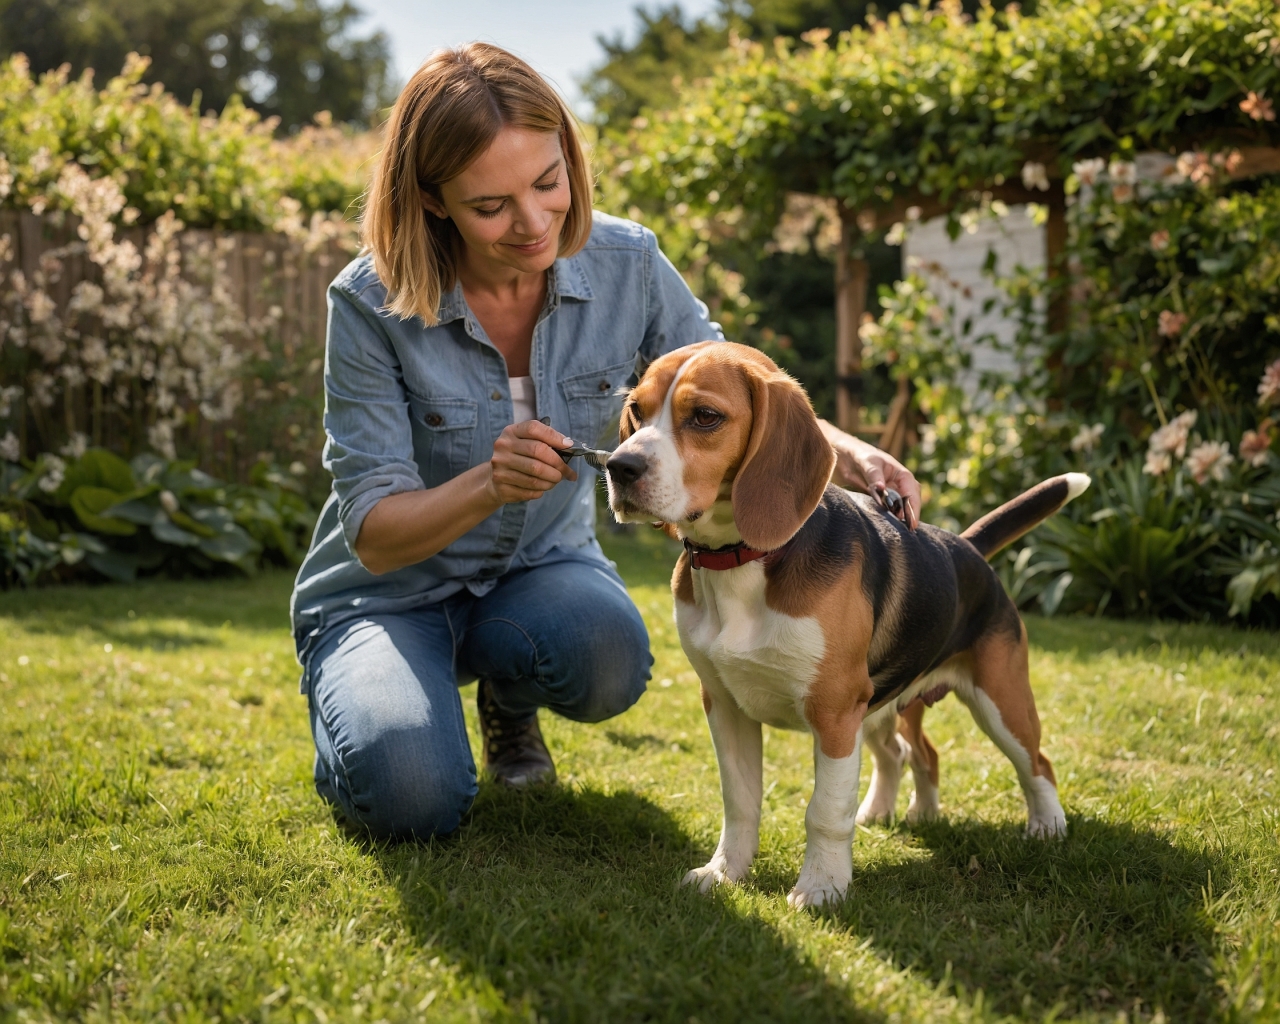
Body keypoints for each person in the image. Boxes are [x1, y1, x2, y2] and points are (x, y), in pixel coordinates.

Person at [290, 42, 922, 840]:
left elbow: (735, 380)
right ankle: (359, 701)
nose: (533, 223)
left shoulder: (628, 261)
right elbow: (376, 539)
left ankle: (506, 700)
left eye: (548, 183)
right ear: (433, 199)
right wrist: (489, 481)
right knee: (410, 796)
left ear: (569, 158)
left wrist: (852, 452)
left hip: (538, 576)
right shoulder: (368, 302)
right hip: (386, 596)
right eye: (491, 205)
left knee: (609, 657)